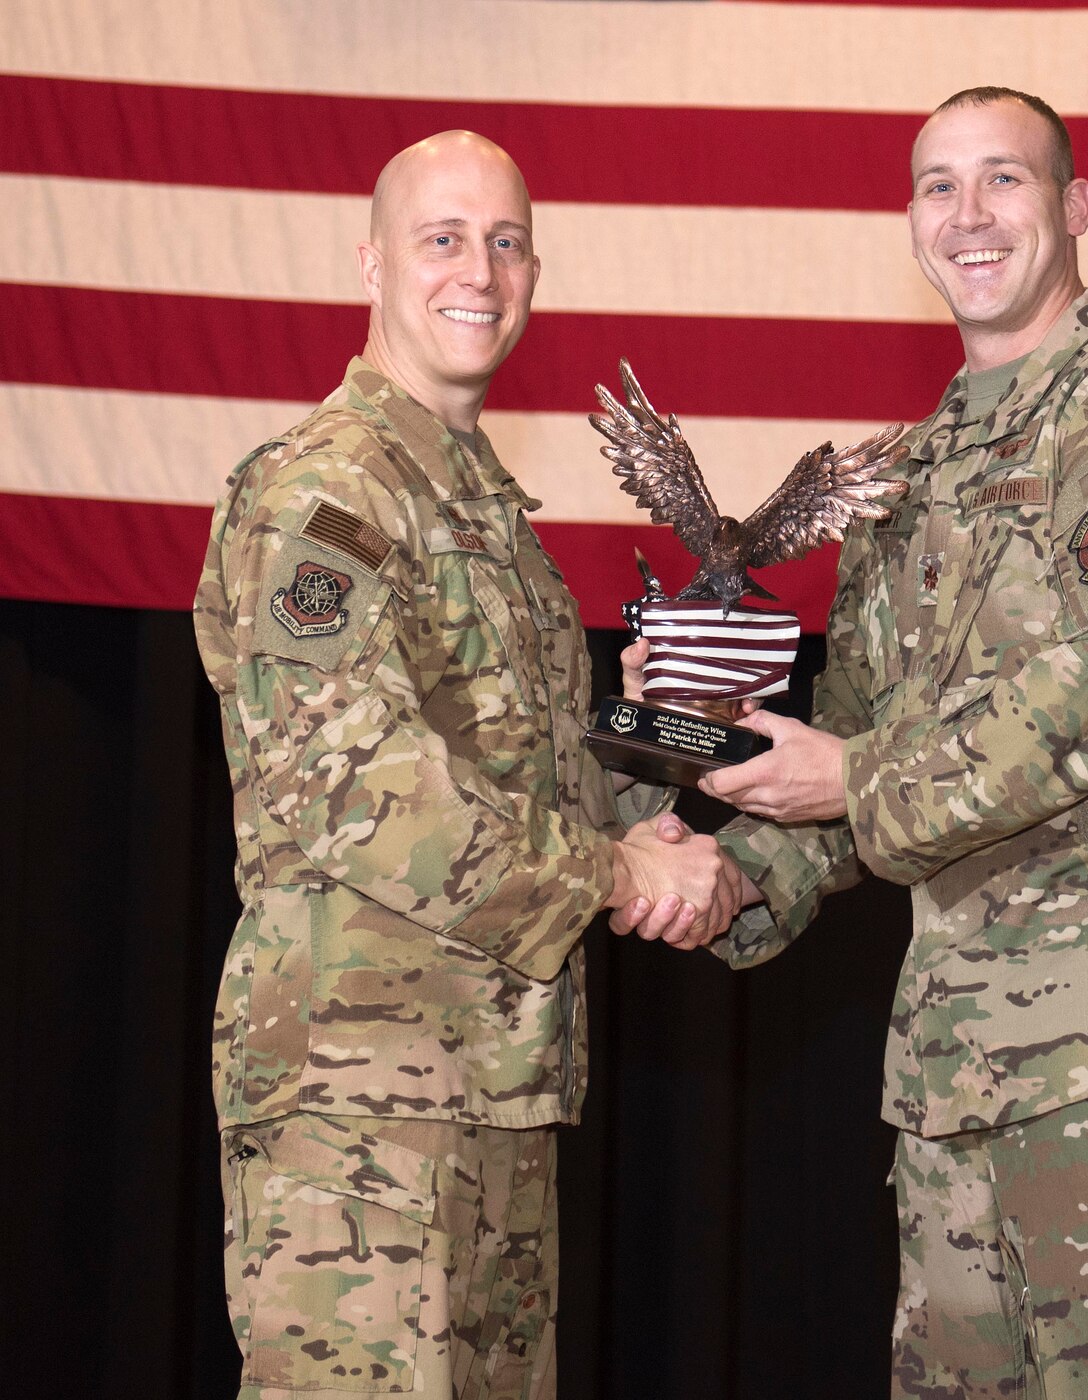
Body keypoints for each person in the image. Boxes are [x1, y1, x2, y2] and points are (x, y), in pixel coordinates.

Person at [686, 88, 1088, 1396]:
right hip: (955, 1087)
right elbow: (856, 734)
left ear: (1076, 208)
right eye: (937, 185)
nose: (968, 215)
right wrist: (737, 872)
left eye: (1004, 181)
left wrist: (855, 776)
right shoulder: (904, 478)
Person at [192, 130, 737, 1400]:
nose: (477, 272)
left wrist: (659, 738)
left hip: (492, 1088)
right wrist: (612, 871)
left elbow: (525, 785)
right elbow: (357, 789)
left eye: (505, 241)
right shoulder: (327, 493)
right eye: (442, 239)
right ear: (370, 262)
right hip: (357, 1107)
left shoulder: (484, 514)